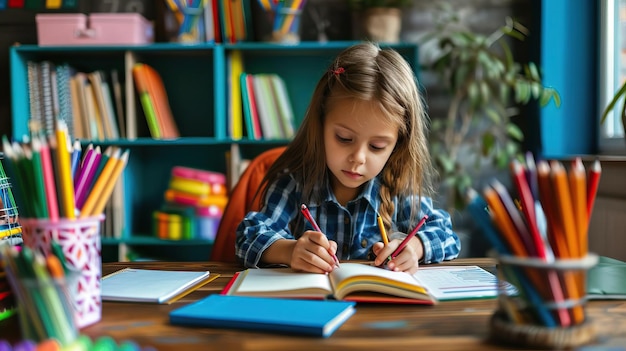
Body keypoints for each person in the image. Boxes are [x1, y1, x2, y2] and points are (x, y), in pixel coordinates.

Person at [235, 42, 461, 274]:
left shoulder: (396, 188)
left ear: (397, 145)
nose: (358, 158)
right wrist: (290, 251)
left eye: (376, 146)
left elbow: (445, 233)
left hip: (379, 309)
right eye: (344, 138)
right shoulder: (294, 182)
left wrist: (414, 247)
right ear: (321, 124)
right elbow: (249, 234)